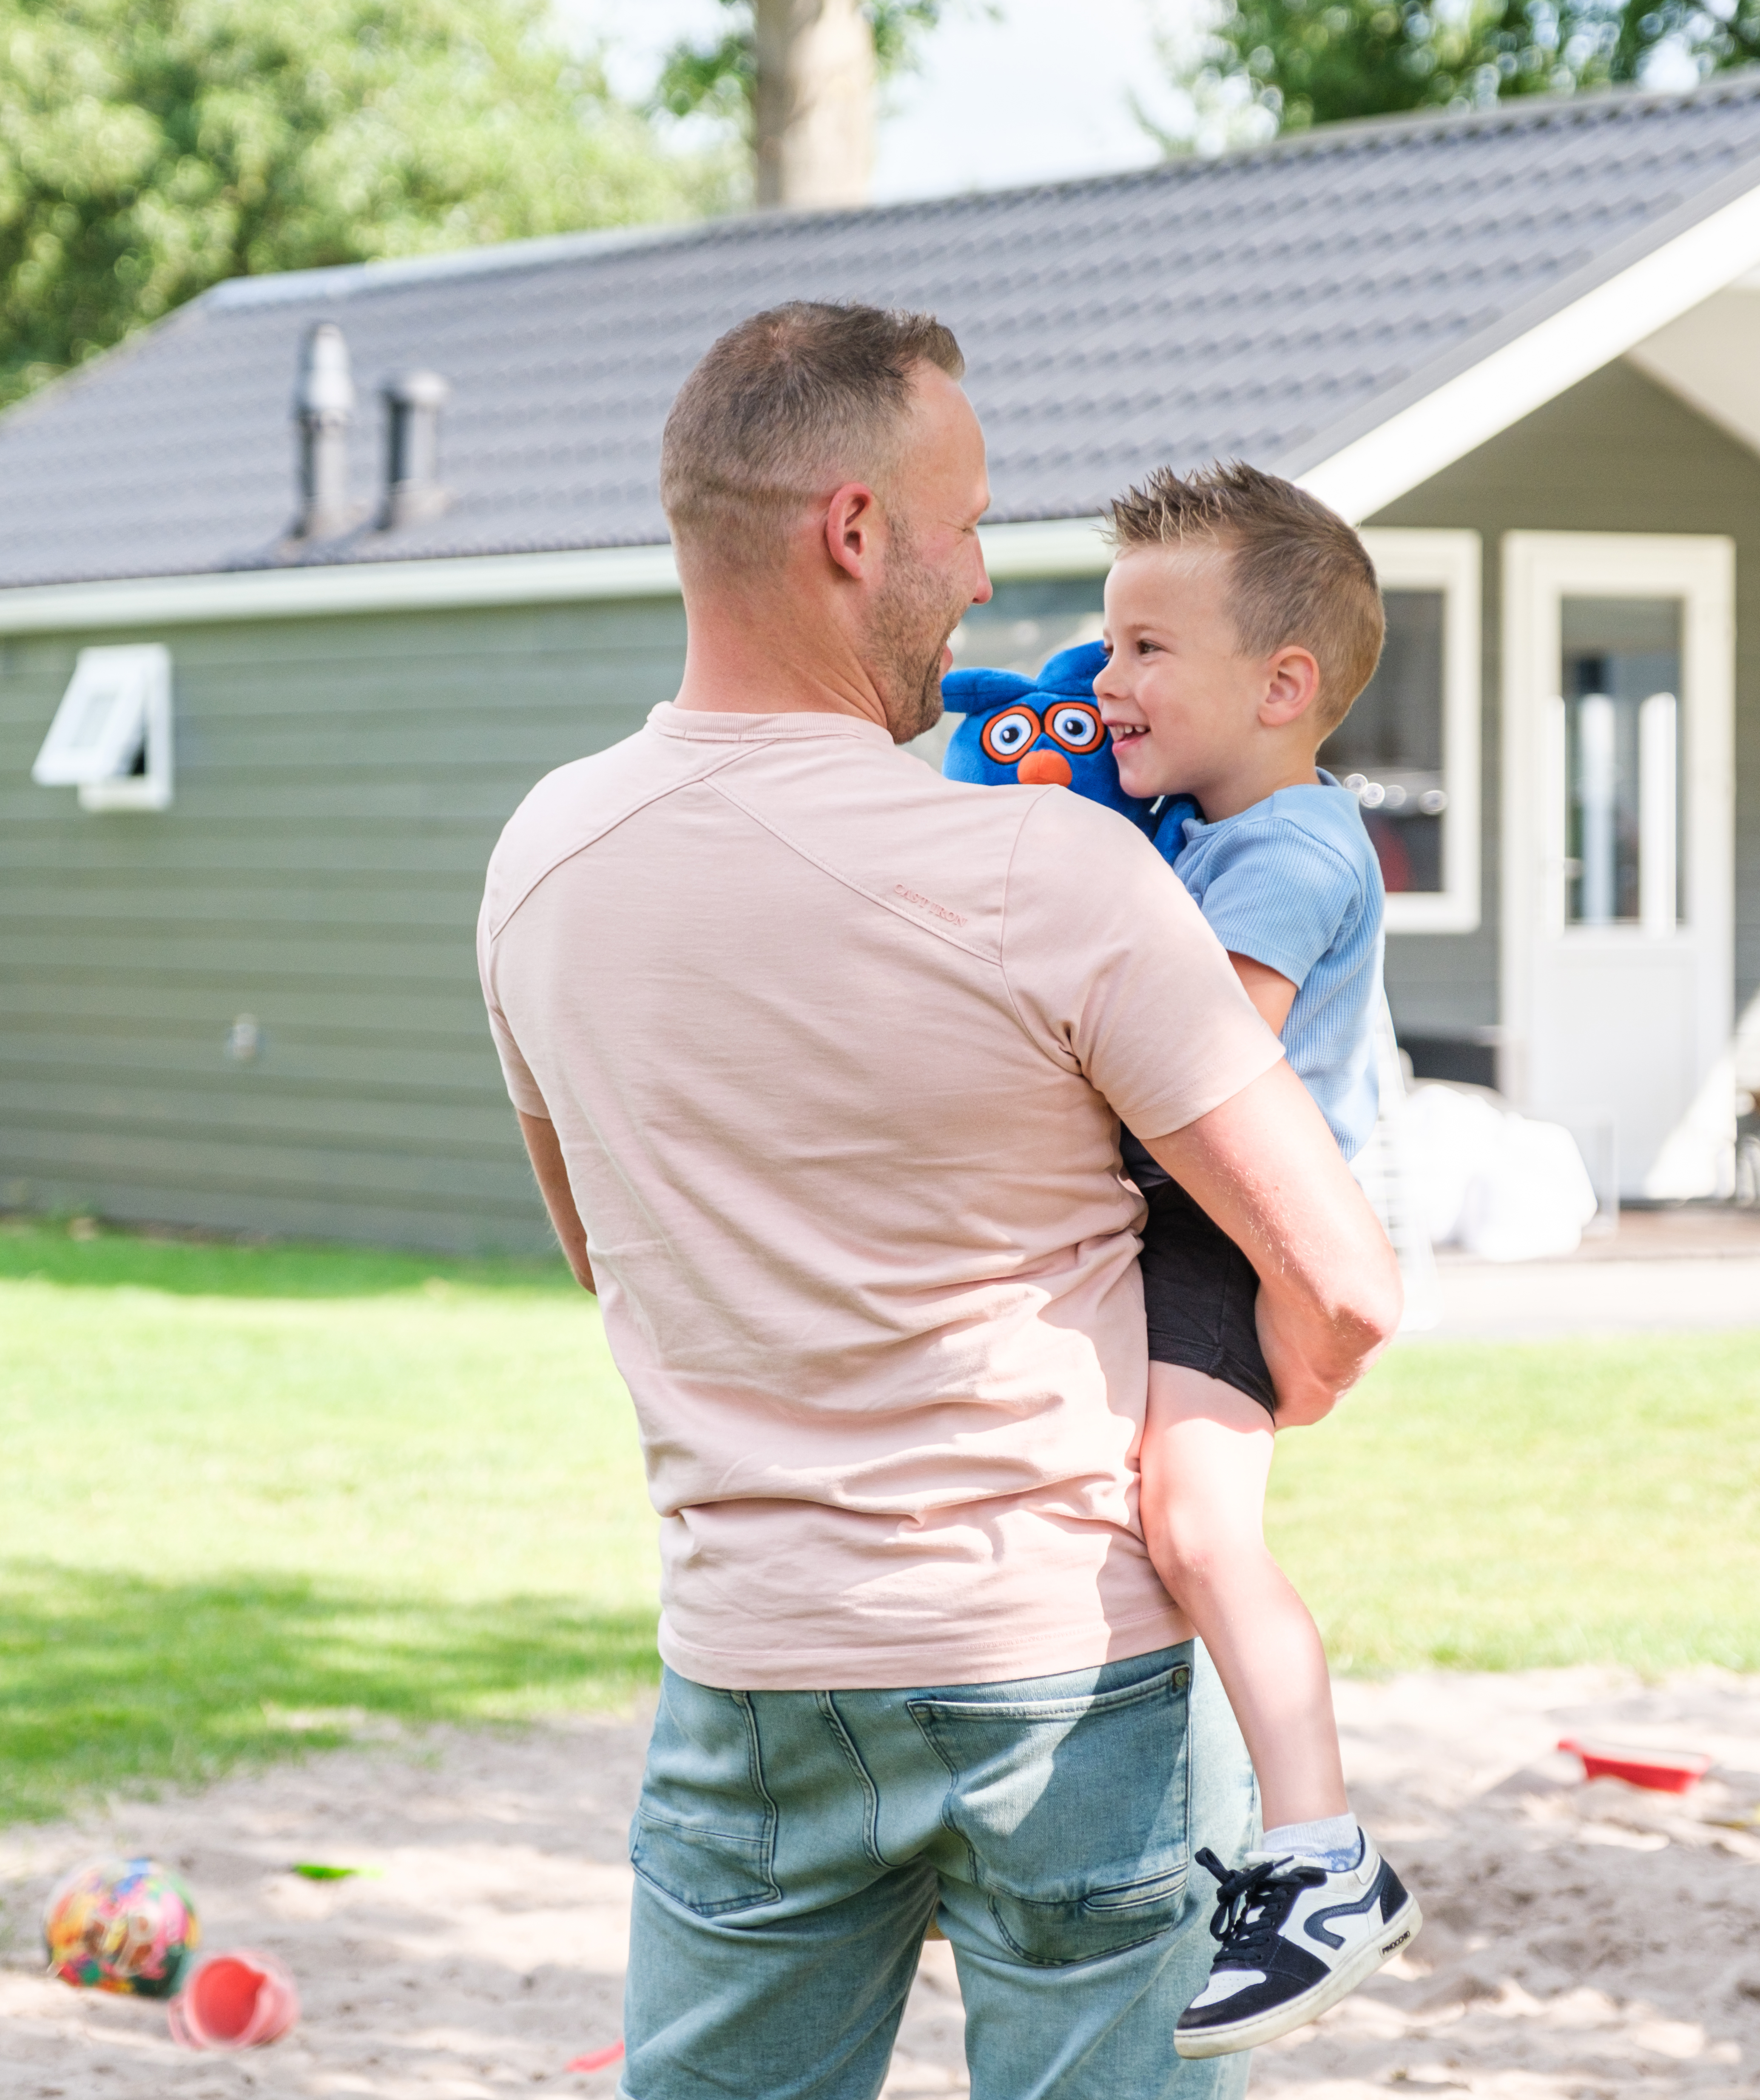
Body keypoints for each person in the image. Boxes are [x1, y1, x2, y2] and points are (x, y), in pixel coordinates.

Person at [476, 303, 1402, 2100]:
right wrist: (1254, 1387)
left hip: (751, 1658)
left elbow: (606, 1255)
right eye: (965, 524)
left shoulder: (541, 863)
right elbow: (1341, 1275)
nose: (985, 583)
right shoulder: (1049, 868)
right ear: (850, 532)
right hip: (1067, 1664)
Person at [1091, 463, 1425, 2057]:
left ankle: (1321, 1856)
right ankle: (1282, 1836)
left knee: (1200, 1524)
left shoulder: (1290, 846)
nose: (1107, 679)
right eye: (1108, 644)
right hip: (1193, 1228)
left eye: (1151, 649)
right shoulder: (1209, 823)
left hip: (1225, 1235)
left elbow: (1197, 1066)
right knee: (1178, 1520)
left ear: (1284, 685)